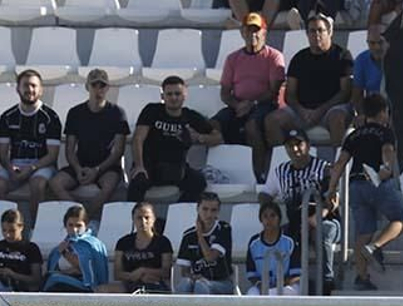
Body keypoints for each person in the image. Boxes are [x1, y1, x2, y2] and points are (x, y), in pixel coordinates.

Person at [328, 94, 403, 291]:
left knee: (363, 232)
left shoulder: (353, 135)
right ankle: (375, 247)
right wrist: (387, 168)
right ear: (383, 113)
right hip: (376, 182)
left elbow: (340, 163)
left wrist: (331, 189)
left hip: (355, 186)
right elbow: (387, 152)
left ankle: (361, 277)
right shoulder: (385, 132)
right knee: (402, 219)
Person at [49, 69, 130, 218]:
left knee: (109, 185)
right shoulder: (75, 113)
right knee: (55, 183)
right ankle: (78, 215)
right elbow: (70, 149)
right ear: (88, 87)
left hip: (107, 166)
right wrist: (78, 169)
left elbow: (118, 151)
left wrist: (97, 170)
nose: (98, 90)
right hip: (81, 164)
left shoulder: (117, 113)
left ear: (107, 88)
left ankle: (86, 219)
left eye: (102, 86)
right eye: (94, 85)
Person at [129, 76, 223, 204]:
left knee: (199, 182)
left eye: (177, 94)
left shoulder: (190, 116)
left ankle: (175, 217)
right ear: (163, 97)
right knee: (137, 181)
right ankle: (133, 219)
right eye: (169, 94)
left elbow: (218, 137)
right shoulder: (151, 111)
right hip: (150, 165)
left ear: (185, 95)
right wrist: (139, 166)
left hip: (176, 168)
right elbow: (138, 139)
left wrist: (200, 138)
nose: (173, 98)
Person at [265, 12, 353, 146]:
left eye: (320, 30)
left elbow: (345, 92)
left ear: (329, 32)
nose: (316, 34)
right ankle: (284, 161)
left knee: (338, 118)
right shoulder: (299, 58)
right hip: (302, 111)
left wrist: (320, 111)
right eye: (312, 31)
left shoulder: (343, 56)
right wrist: (302, 111)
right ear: (307, 34)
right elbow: (290, 94)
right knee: (272, 121)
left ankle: (338, 164)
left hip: (331, 110)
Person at [214, 12, 286, 171]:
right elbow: (225, 92)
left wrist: (252, 103)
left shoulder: (274, 56)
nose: (252, 34)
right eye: (248, 30)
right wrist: (237, 105)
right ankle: (219, 169)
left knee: (252, 126)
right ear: (242, 32)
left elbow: (274, 90)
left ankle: (258, 173)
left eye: (256, 30)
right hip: (238, 105)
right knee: (213, 125)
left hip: (265, 105)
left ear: (264, 32)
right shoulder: (232, 58)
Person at [0, 70, 62, 214]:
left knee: (37, 184)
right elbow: (2, 154)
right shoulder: (8, 117)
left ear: (41, 90)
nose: (30, 90)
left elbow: (52, 156)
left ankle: (34, 228)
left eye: (34, 86)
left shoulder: (50, 117)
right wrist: (11, 169)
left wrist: (31, 169)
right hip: (16, 165)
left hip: (42, 166)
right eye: (26, 85)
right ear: (18, 89)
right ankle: (9, 228)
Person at [260, 128, 330, 241]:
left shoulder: (324, 168)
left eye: (298, 144)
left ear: (308, 145)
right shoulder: (280, 171)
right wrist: (272, 215)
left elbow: (332, 202)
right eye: (289, 145)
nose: (294, 149)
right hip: (295, 223)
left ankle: (325, 260)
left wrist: (313, 220)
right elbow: (264, 195)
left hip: (324, 220)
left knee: (319, 234)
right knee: (275, 237)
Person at [99, 202, 174, 294]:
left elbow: (166, 272)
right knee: (102, 289)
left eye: (147, 217)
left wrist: (144, 271)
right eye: (139, 218)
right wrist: (133, 276)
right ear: (133, 220)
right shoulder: (123, 242)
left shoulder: (163, 242)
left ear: (154, 219)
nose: (143, 222)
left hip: (155, 284)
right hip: (130, 284)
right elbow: (117, 273)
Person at [175, 192, 236, 294]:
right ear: (197, 209)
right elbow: (184, 271)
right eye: (205, 209)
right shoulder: (188, 235)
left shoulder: (223, 229)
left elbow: (210, 257)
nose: (209, 214)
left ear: (218, 212)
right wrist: (193, 277)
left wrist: (199, 234)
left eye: (213, 210)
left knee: (201, 286)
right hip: (197, 280)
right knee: (185, 284)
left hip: (221, 282)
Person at [43, 205, 109, 293]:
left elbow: (88, 272)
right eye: (70, 225)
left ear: (86, 225)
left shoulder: (92, 245)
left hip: (86, 287)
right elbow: (54, 269)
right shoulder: (59, 248)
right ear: (65, 225)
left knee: (53, 279)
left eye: (78, 225)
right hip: (63, 283)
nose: (74, 229)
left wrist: (66, 254)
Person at [247, 200, 300, 294]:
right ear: (261, 219)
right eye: (265, 216)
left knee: (289, 291)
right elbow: (252, 274)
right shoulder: (254, 243)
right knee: (252, 293)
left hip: (287, 285)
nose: (269, 220)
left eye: (273, 216)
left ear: (279, 219)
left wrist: (279, 284)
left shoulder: (289, 241)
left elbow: (296, 275)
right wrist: (261, 285)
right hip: (262, 287)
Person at [351, 26, 387, 110]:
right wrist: (363, 115)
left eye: (380, 42)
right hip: (372, 107)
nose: (377, 47)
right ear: (367, 43)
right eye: (372, 43)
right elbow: (357, 93)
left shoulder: (400, 59)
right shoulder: (361, 60)